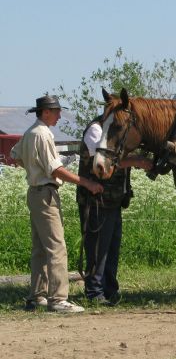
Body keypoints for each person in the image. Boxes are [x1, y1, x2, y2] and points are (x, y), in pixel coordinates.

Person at [10, 95, 103, 313]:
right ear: (46, 112)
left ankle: (37, 295)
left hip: (34, 192)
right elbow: (54, 170)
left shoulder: (30, 132)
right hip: (46, 193)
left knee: (40, 247)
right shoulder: (43, 134)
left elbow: (16, 155)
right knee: (56, 247)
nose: (60, 115)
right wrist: (86, 182)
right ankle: (58, 298)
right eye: (57, 111)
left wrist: (34, 169)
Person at [77, 117, 152, 305]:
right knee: (97, 249)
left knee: (110, 249)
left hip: (112, 200)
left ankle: (109, 290)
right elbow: (100, 163)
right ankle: (94, 293)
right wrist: (136, 161)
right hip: (96, 200)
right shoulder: (95, 130)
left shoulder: (111, 132)